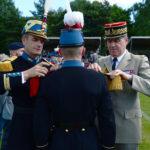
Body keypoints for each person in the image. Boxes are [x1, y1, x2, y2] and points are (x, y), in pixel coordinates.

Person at [33, 5, 116, 150]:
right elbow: (107, 118)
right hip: (89, 140)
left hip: (59, 140)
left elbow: (41, 117)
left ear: (60, 52)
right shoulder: (98, 79)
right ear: (83, 51)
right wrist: (108, 144)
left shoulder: (48, 79)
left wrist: (42, 143)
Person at [89, 21, 150, 150]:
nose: (112, 45)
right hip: (102, 127)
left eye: (117, 40)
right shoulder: (100, 61)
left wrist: (129, 77)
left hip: (128, 129)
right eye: (109, 41)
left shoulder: (139, 60)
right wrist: (90, 73)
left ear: (126, 40)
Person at [0, 20, 50, 150]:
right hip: (19, 123)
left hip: (44, 124)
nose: (39, 44)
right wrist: (26, 74)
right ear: (24, 40)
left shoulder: (48, 66)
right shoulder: (11, 64)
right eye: (35, 39)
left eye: (42, 41)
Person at [0, 42, 24, 150]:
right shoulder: (7, 65)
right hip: (7, 105)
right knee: (5, 135)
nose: (23, 53)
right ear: (14, 52)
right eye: (21, 51)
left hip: (11, 106)